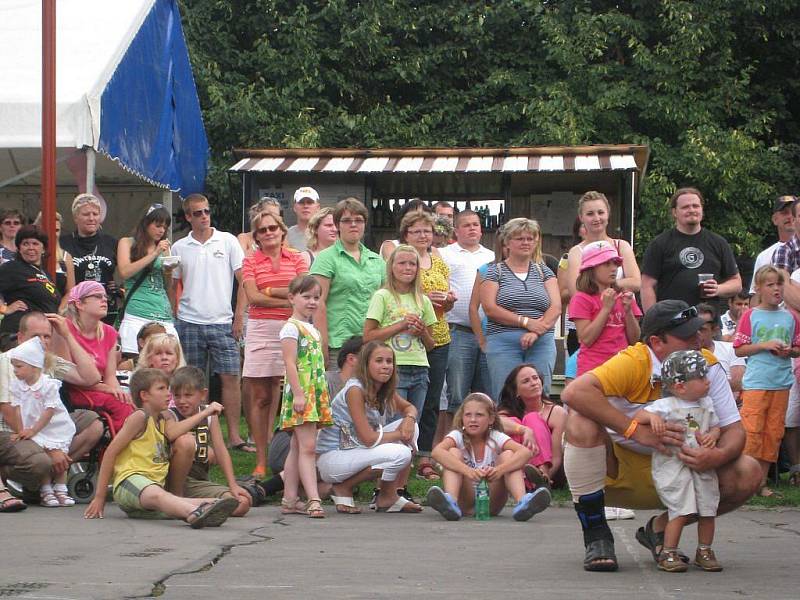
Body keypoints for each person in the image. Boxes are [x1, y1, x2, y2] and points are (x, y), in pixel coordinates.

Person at [560, 299, 760, 572]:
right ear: (656, 342)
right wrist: (635, 430)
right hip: (614, 471)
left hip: (681, 467)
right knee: (580, 421)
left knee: (748, 471)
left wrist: (716, 455)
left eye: (699, 331)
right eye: (686, 335)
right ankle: (596, 533)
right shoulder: (633, 361)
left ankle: (660, 531)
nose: (697, 340)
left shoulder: (707, 367)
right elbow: (573, 393)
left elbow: (734, 430)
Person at [83, 368, 239, 526]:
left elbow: (174, 434)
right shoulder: (140, 417)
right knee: (159, 496)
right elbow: (111, 453)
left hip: (153, 491)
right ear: (144, 395)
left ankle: (209, 505)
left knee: (211, 501)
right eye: (161, 389)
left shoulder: (163, 419)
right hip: (131, 481)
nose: (168, 394)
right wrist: (100, 497)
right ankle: (193, 514)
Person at [242, 337, 363, 506]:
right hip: (292, 442)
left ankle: (292, 492)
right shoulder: (326, 381)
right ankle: (267, 488)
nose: (380, 365)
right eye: (373, 358)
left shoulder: (366, 390)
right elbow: (307, 422)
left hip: (325, 447)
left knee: (331, 486)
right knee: (327, 449)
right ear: (352, 359)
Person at [171, 194, 249, 452]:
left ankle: (235, 437)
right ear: (188, 217)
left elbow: (244, 281)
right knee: (191, 380)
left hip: (222, 321)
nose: (204, 216)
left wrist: (239, 316)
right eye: (198, 213)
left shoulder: (227, 241)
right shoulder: (180, 247)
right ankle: (191, 430)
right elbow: (173, 284)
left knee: (231, 377)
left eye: (206, 211)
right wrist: (174, 316)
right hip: (189, 320)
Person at [0, 311, 103, 508]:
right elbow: (8, 411)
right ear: (20, 337)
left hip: (44, 427)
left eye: (47, 336)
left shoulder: (47, 361)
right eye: (35, 336)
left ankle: (49, 481)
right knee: (42, 462)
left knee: (94, 423)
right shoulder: (7, 361)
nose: (42, 341)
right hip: (11, 431)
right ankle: (14, 476)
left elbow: (91, 377)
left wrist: (67, 335)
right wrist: (50, 448)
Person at [632, 350, 723, 572]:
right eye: (701, 378)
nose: (707, 381)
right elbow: (638, 417)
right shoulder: (666, 405)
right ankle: (669, 551)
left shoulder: (707, 402)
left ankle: (704, 549)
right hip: (674, 464)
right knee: (681, 509)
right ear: (680, 386)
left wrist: (713, 435)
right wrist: (653, 418)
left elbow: (715, 425)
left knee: (708, 508)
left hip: (702, 464)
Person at [316, 341, 423, 514]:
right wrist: (400, 434)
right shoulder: (355, 390)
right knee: (401, 453)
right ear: (366, 364)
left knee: (414, 429)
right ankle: (344, 487)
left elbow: (409, 408)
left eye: (389, 361)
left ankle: (388, 496)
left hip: (356, 448)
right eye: (379, 361)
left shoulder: (383, 388)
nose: (386, 366)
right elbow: (368, 439)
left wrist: (409, 420)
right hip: (333, 457)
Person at [241, 211, 309, 477]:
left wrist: (269, 291)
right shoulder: (251, 260)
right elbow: (253, 297)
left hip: (293, 328)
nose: (268, 233)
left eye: (273, 228)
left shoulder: (298, 257)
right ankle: (261, 458)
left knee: (294, 395)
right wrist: (289, 299)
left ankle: (290, 456)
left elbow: (304, 290)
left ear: (282, 231)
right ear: (256, 236)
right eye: (262, 230)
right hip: (261, 328)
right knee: (261, 397)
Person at [426, 392, 551, 521]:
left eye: (479, 415)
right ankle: (450, 501)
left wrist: (499, 470)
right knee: (453, 452)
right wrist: (468, 471)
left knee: (508, 455)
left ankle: (523, 502)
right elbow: (437, 452)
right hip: (464, 502)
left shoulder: (495, 436)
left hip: (491, 502)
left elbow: (525, 452)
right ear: (462, 418)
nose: (473, 419)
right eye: (468, 415)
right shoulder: (457, 435)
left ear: (491, 419)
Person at [733, 265, 800, 496]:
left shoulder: (790, 316)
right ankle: (744, 481)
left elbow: (797, 348)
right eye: (770, 284)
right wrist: (764, 345)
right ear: (758, 288)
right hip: (757, 383)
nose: (776, 289)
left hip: (781, 383)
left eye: (779, 284)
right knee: (752, 431)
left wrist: (789, 351)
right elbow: (739, 349)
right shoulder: (751, 315)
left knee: (773, 433)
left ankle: (760, 482)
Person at [398, 211, 455, 480]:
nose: (423, 236)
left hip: (439, 335)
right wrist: (424, 299)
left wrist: (449, 299)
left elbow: (448, 290)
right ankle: (399, 453)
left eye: (427, 231)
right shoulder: (403, 259)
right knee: (405, 398)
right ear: (406, 234)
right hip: (408, 337)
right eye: (417, 231)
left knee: (432, 399)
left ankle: (424, 456)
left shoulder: (439, 259)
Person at [480, 217, 561, 399]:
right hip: (503, 342)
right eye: (520, 238)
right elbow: (490, 308)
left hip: (541, 342)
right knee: (506, 396)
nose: (526, 242)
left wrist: (536, 331)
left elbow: (556, 307)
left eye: (530, 238)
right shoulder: (495, 271)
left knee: (540, 395)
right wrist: (525, 322)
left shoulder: (544, 271)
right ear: (507, 242)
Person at [278, 275, 333, 517]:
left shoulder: (312, 328)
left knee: (298, 445)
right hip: (302, 393)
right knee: (308, 447)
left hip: (313, 391)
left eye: (316, 298)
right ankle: (313, 498)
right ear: (292, 298)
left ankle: (289, 499)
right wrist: (299, 394)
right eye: (306, 297)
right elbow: (290, 363)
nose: (312, 302)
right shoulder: (291, 327)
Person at [560, 192, 640, 356]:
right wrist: (615, 288)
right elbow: (576, 290)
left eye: (600, 212)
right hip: (588, 324)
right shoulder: (576, 252)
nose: (596, 218)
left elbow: (636, 282)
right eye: (590, 214)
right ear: (581, 217)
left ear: (608, 214)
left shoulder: (622, 246)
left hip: (619, 328)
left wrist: (609, 285)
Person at [167, 366, 251, 517]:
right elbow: (171, 433)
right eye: (177, 395)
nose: (181, 401)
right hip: (172, 480)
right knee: (186, 442)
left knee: (242, 503)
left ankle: (196, 506)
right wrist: (205, 412)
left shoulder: (210, 416)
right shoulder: (170, 415)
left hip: (197, 482)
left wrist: (233, 484)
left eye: (188, 395)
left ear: (203, 394)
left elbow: (221, 450)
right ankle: (176, 500)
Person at [364, 245, 437, 418]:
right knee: (395, 422)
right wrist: (401, 325)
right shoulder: (382, 296)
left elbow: (431, 345)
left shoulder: (423, 300)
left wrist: (422, 332)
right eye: (402, 263)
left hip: (419, 368)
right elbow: (368, 336)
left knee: (414, 423)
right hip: (393, 368)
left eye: (412, 264)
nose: (407, 268)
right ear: (392, 267)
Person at [311, 197, 385, 367]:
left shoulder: (376, 260)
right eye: (346, 220)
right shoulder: (326, 258)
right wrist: (322, 345)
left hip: (371, 344)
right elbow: (317, 303)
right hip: (338, 345)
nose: (353, 224)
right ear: (337, 225)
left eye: (358, 220)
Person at [641, 187, 741, 311]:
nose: (691, 210)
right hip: (673, 321)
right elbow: (647, 285)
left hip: (708, 323)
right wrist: (653, 320)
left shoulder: (718, 242)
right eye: (685, 207)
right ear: (674, 212)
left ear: (702, 210)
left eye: (696, 206)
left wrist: (718, 289)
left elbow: (736, 283)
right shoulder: (660, 243)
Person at [7, 337, 76, 507]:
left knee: (60, 455)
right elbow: (16, 409)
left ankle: (61, 488)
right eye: (14, 366)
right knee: (43, 457)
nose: (15, 371)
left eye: (19, 366)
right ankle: (46, 490)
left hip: (53, 426)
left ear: (34, 366)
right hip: (32, 426)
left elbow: (49, 411)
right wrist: (21, 429)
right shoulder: (18, 385)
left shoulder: (48, 385)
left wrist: (33, 430)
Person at [439, 210, 494, 417]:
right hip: (458, 332)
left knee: (487, 394)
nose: (472, 228)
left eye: (476, 225)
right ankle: (457, 443)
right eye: (467, 225)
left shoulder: (491, 256)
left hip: (488, 333)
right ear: (456, 230)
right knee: (457, 394)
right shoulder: (444, 254)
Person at [64, 281, 133, 433]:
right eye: (97, 296)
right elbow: (68, 375)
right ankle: (117, 450)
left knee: (130, 402)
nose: (105, 300)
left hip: (99, 387)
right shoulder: (65, 329)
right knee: (120, 405)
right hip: (73, 390)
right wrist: (109, 390)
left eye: (105, 296)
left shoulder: (109, 332)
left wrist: (118, 392)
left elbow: (110, 376)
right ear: (79, 304)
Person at [568, 242, 641, 377]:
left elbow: (635, 340)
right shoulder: (581, 298)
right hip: (593, 370)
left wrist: (629, 311)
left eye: (615, 263)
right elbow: (586, 339)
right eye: (607, 264)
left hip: (622, 368)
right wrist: (606, 309)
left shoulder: (624, 296)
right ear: (591, 268)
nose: (614, 268)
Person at [116, 205, 178, 356]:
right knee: (134, 360)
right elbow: (124, 272)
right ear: (146, 223)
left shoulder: (164, 247)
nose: (161, 230)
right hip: (137, 311)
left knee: (169, 359)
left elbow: (167, 285)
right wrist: (155, 253)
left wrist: (169, 271)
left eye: (165, 227)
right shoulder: (127, 243)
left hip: (162, 312)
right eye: (157, 225)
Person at [496, 364, 567, 486]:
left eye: (535, 378)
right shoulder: (507, 410)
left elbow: (556, 457)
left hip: (551, 471)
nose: (534, 383)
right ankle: (522, 480)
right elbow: (495, 422)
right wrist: (524, 430)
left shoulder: (557, 412)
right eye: (526, 381)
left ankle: (540, 477)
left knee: (533, 418)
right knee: (515, 422)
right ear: (516, 391)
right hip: (515, 468)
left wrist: (548, 475)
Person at [60, 193, 120, 325]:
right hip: (76, 310)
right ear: (76, 217)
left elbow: (127, 270)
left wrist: (120, 288)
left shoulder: (111, 242)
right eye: (86, 214)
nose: (91, 218)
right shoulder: (64, 243)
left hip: (106, 310)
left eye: (95, 214)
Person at [0, 226, 61, 334]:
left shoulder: (44, 273)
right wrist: (4, 309)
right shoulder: (12, 268)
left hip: (43, 334)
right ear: (19, 248)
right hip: (18, 334)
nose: (30, 248)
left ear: (43, 249)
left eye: (35, 243)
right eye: (25, 244)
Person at [696, 303, 745, 399]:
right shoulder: (683, 353)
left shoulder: (731, 349)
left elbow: (737, 383)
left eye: (702, 329)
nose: (697, 333)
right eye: (694, 328)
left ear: (715, 330)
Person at [749, 195, 796, 296]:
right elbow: (755, 297)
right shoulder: (764, 256)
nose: (790, 216)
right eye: (784, 213)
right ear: (775, 219)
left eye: (793, 212)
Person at [33, 211, 76, 306]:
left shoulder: (66, 257)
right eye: (49, 229)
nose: (53, 234)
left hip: (58, 311)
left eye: (57, 230)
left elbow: (71, 291)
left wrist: (60, 310)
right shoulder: (28, 255)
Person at [286, 186, 320, 252]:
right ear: (294, 207)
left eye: (310, 202)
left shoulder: (326, 232)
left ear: (318, 207)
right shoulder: (286, 235)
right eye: (301, 202)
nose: (305, 206)